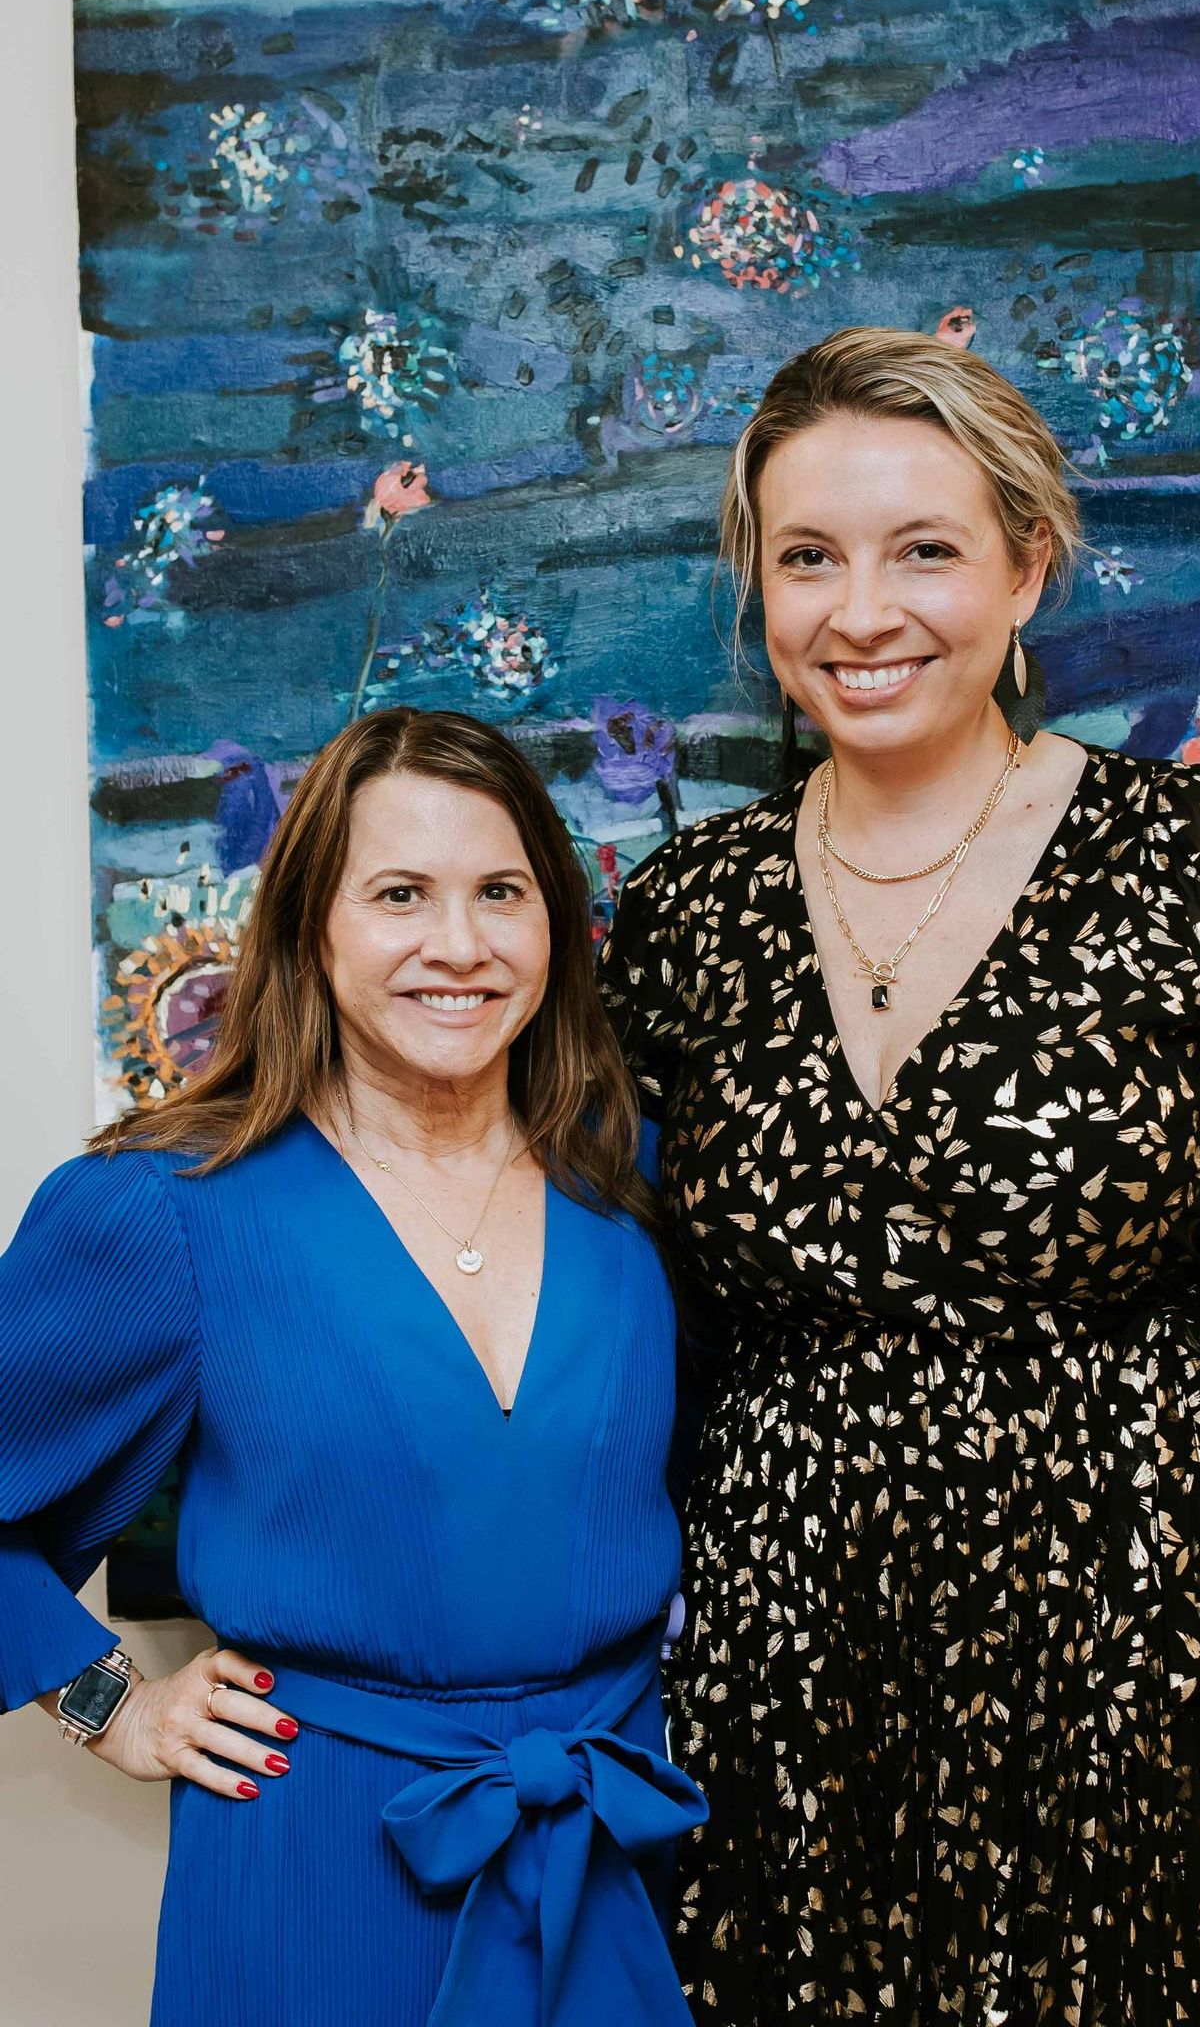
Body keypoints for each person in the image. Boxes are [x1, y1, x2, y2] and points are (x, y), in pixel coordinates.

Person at [598, 326, 1200, 2025]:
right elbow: (592, 1309)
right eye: (808, 557)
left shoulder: (1199, 860)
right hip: (792, 1722)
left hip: (1156, 1701)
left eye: (926, 550)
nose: (861, 611)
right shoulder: (691, 910)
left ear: (1027, 568)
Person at [0, 707, 703, 2027]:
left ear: (557, 920)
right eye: (399, 894)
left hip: (612, 1843)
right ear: (312, 924)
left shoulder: (630, 1184)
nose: (458, 943)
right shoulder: (170, 1210)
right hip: (316, 1862)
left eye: (501, 891)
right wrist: (108, 1705)